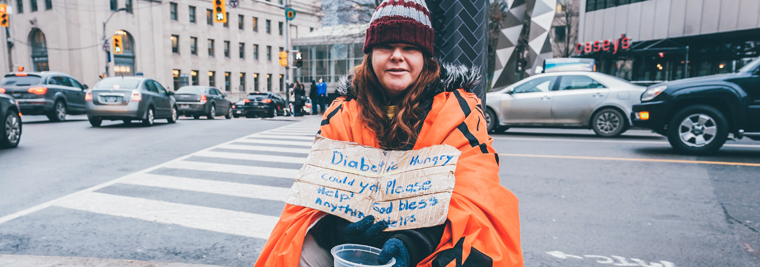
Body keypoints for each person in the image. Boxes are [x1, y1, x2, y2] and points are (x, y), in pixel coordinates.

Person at [255, 0, 522, 266]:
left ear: (425, 57)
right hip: (348, 245)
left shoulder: (459, 111)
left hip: (431, 243)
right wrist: (334, 230)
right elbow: (315, 197)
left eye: (409, 47)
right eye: (385, 46)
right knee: (295, 249)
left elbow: (474, 194)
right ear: (370, 54)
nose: (397, 55)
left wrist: (413, 243)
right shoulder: (342, 113)